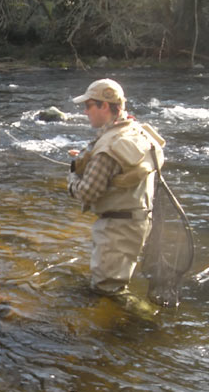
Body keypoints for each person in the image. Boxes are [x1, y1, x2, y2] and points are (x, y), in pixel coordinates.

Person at [67, 79, 165, 316]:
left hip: (118, 228)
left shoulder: (109, 149)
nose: (84, 111)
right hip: (136, 220)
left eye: (89, 105)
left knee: (108, 289)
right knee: (111, 283)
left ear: (105, 106)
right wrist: (86, 157)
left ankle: (151, 325)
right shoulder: (134, 129)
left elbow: (87, 193)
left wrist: (71, 174)